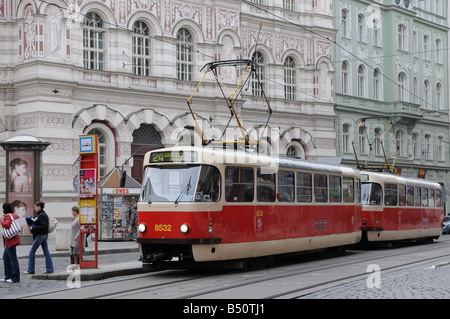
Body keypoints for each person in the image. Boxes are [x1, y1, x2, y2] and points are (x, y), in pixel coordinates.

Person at [24, 201, 54, 275]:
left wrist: (33, 228)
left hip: (41, 235)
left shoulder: (42, 215)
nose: (34, 209)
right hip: (44, 235)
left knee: (32, 251)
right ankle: (50, 269)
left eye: (35, 207)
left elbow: (43, 227)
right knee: (46, 252)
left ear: (39, 207)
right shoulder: (42, 214)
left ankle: (30, 270)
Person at [1, 203, 21, 283]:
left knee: (13, 259)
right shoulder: (13, 215)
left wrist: (2, 221)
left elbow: (7, 225)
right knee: (5, 257)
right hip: (12, 239)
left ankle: (15, 278)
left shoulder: (7, 216)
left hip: (11, 240)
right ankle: (8, 276)